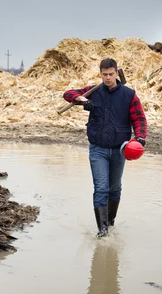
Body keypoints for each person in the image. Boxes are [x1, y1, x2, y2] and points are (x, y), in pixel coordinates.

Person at [63, 58, 147, 237]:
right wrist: (80, 98)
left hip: (120, 149)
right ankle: (102, 231)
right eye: (104, 75)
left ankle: (110, 222)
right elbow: (68, 94)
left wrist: (140, 138)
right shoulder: (93, 91)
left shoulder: (129, 95)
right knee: (101, 188)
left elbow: (139, 119)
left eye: (110, 74)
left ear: (117, 73)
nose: (107, 78)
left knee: (114, 188)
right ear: (100, 74)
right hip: (98, 149)